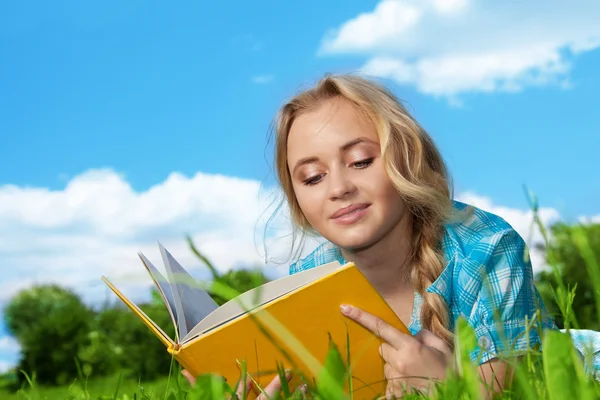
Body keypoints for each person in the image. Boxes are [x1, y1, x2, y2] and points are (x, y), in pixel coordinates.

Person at [183, 74, 559, 398]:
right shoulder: (309, 277)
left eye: (361, 161)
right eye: (313, 177)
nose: (339, 188)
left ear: (407, 157)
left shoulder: (487, 247)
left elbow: (508, 392)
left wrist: (443, 387)